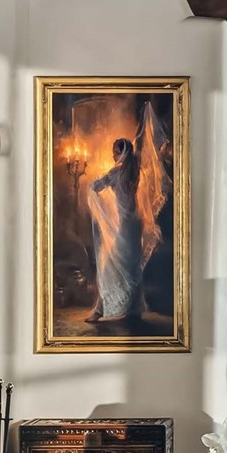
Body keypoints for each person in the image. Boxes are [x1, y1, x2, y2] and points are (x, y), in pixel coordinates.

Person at [86, 138, 145, 322]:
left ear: (123, 153)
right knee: (130, 266)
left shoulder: (117, 172)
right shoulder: (135, 170)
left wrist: (97, 188)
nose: (113, 156)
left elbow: (95, 186)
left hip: (127, 226)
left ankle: (100, 310)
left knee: (108, 267)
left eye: (116, 152)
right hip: (136, 224)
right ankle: (133, 308)